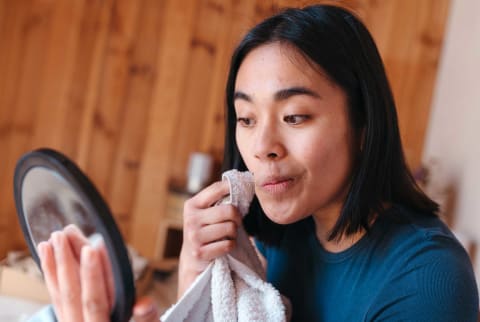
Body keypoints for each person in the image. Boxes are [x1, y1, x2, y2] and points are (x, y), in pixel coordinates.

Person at [37, 4, 478, 322]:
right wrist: (196, 278)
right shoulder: (278, 236)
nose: (262, 145)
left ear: (363, 124)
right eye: (246, 118)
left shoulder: (428, 281)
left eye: (295, 117)